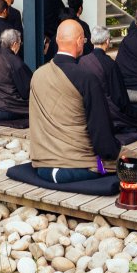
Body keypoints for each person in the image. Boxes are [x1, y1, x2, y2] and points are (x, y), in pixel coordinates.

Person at [29, 20, 122, 183]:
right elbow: (101, 133)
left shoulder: (37, 75)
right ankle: (102, 170)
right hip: (77, 165)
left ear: (57, 40)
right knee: (132, 161)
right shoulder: (86, 78)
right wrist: (112, 153)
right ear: (79, 41)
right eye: (84, 40)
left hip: (42, 164)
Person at [79, 26, 137, 132]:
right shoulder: (110, 64)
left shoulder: (82, 61)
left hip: (87, 108)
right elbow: (119, 97)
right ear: (107, 41)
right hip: (106, 110)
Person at [0, 29, 32, 121]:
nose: (20, 46)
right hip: (7, 107)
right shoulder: (16, 63)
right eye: (20, 43)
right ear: (15, 44)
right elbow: (27, 91)